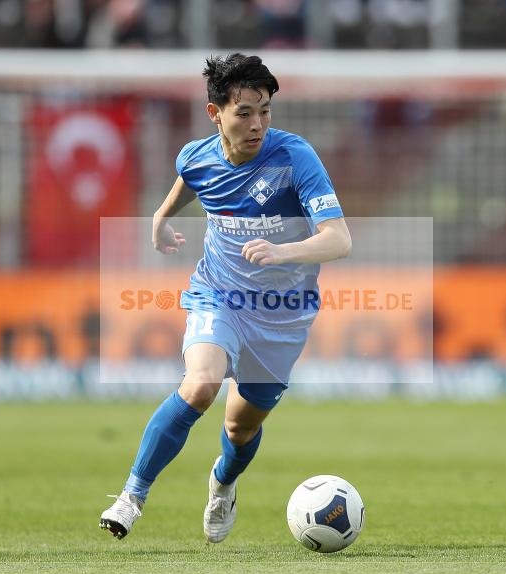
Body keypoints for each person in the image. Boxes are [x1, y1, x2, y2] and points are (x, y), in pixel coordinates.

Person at [99, 53, 352, 543]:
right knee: (199, 386)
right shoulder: (196, 156)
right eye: (244, 113)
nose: (257, 124)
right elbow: (191, 179)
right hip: (219, 295)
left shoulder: (295, 157)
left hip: (282, 315)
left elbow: (339, 239)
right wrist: (161, 216)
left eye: (265, 112)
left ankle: (223, 482)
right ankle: (131, 497)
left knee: (239, 429)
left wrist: (284, 252)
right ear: (215, 114)